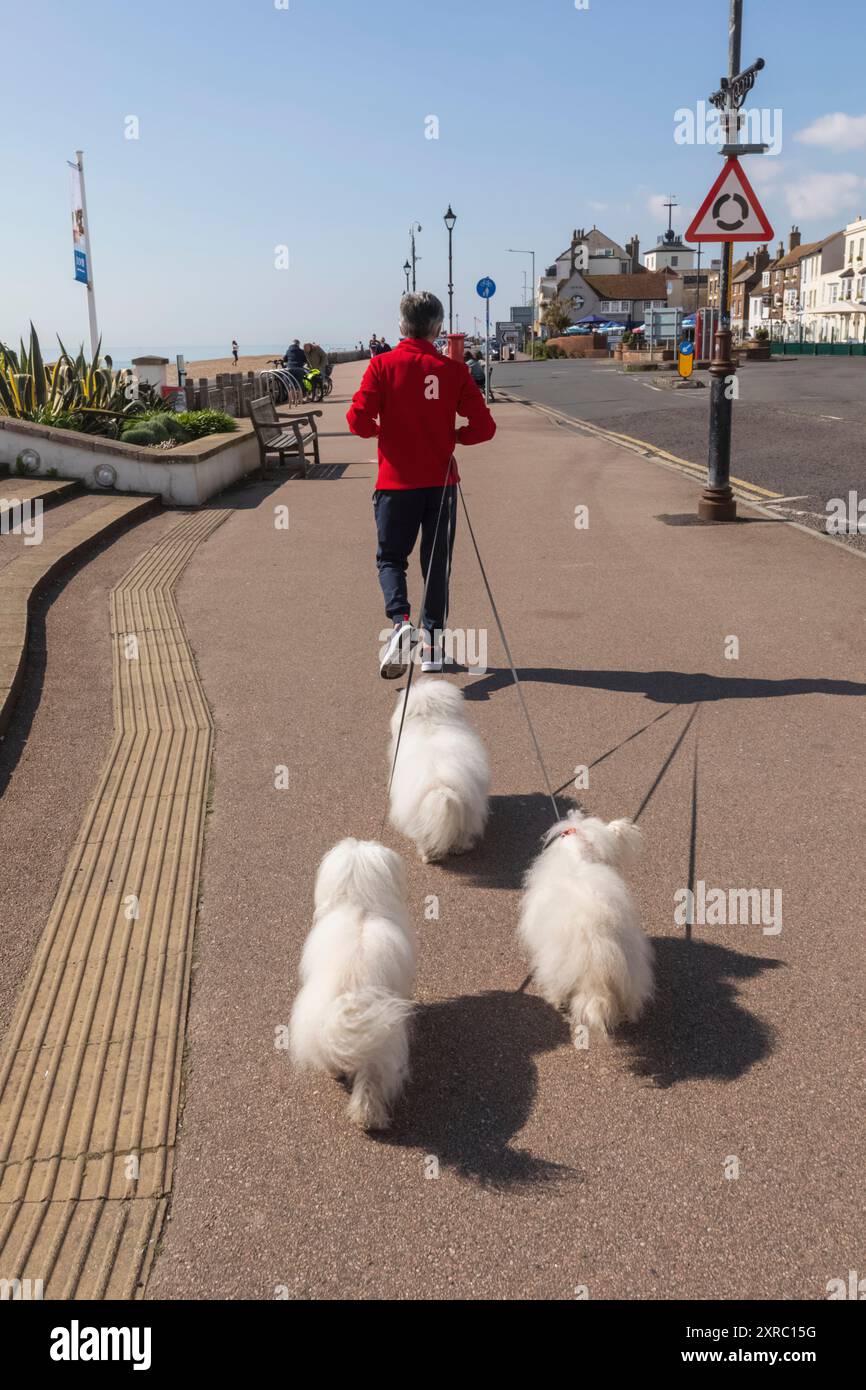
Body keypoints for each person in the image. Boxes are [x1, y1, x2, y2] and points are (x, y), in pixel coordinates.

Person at [347, 291, 496, 677]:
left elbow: (357, 421)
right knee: (436, 562)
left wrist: (383, 430)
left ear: (401, 325)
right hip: (441, 484)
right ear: (438, 329)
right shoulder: (454, 371)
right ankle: (432, 644)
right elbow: (484, 428)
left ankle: (400, 623)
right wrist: (454, 438)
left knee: (392, 558)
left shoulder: (382, 366)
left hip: (396, 482)